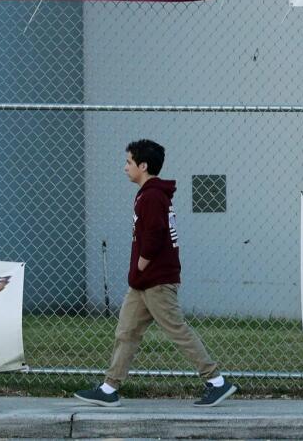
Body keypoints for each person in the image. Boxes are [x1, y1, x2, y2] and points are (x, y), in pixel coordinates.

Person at [74, 139, 238, 408]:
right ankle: (109, 387)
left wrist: (140, 264)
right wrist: (138, 274)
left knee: (177, 330)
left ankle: (216, 381)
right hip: (143, 283)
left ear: (143, 165)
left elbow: (154, 234)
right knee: (126, 331)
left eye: (129, 162)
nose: (125, 167)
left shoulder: (152, 196)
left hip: (157, 281)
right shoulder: (150, 193)